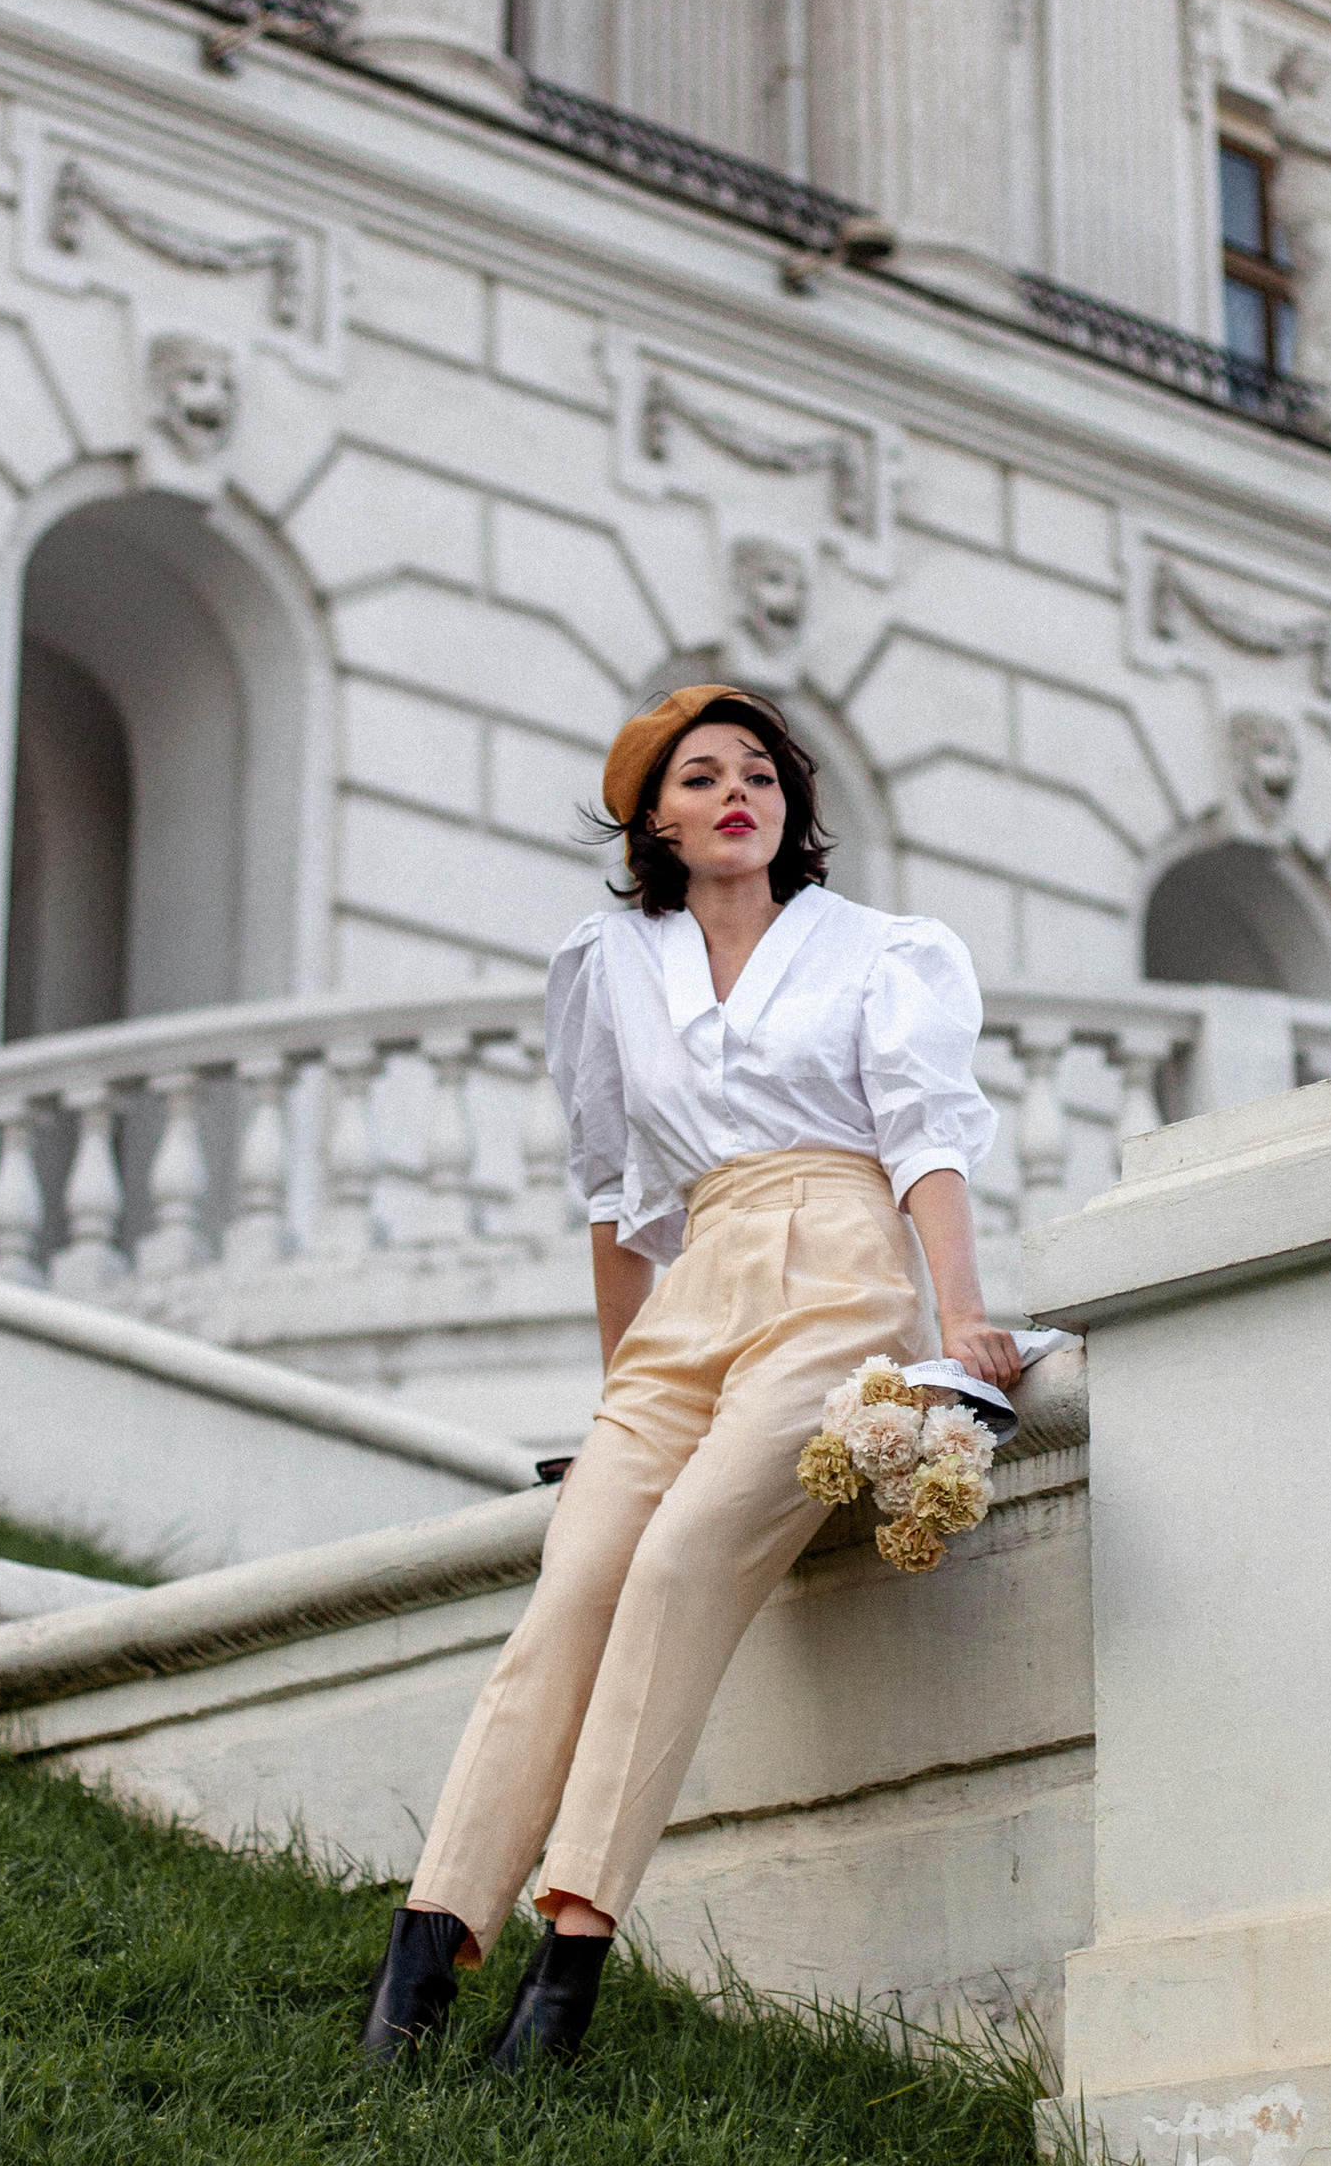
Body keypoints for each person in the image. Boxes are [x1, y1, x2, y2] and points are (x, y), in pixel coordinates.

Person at [360, 682, 1022, 2073]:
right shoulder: (611, 966)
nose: (742, 795)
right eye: (704, 777)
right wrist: (621, 1403)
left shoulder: (878, 951)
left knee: (676, 1573)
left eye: (764, 775)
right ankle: (423, 1951)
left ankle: (570, 1966)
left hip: (836, 1279)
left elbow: (925, 1135)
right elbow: (614, 1194)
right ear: (652, 817)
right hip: (689, 1297)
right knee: (577, 1586)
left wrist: (960, 1313)